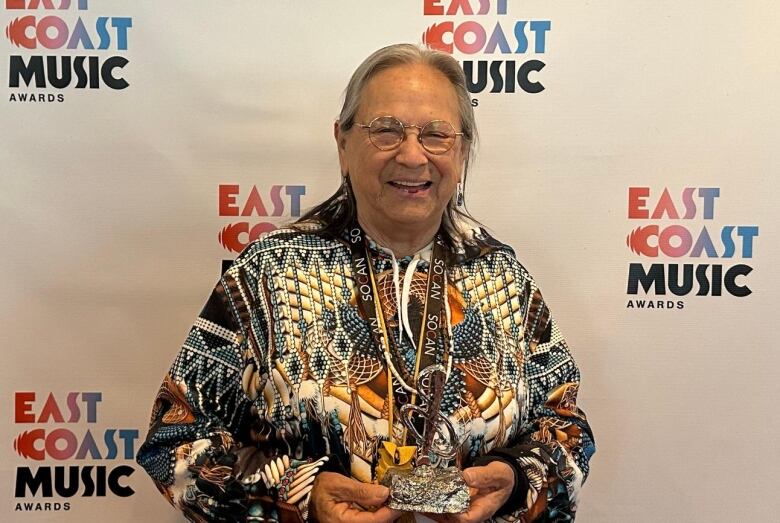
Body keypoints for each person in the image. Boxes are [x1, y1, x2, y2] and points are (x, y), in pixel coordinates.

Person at [137, 43, 595, 523]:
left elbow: (565, 430)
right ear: (342, 142)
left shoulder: (501, 277)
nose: (413, 155)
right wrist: (298, 494)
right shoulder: (269, 274)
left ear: (461, 152)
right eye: (386, 131)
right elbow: (174, 441)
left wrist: (516, 477)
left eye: (437, 134)